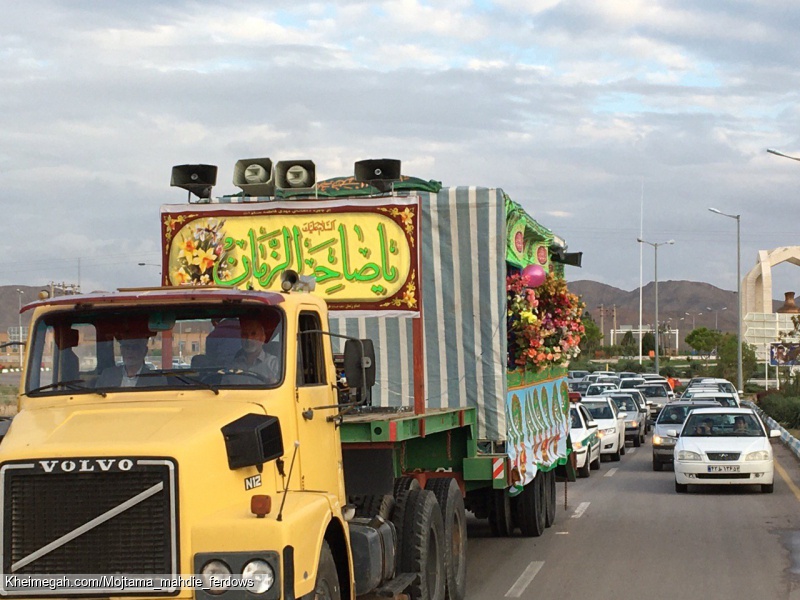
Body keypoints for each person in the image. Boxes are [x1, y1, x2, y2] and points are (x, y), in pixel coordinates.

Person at [226, 317, 280, 384]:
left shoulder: (274, 364)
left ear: (263, 338)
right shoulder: (233, 366)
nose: (248, 339)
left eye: (253, 334)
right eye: (244, 334)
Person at [96, 336, 165, 388]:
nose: (130, 352)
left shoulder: (156, 380)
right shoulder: (107, 375)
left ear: (145, 351)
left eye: (135, 347)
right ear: (121, 350)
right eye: (126, 347)